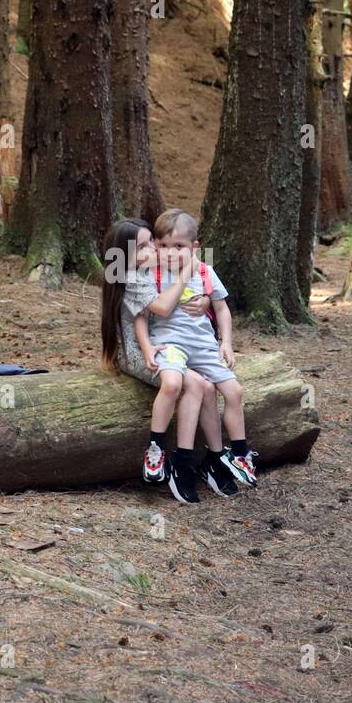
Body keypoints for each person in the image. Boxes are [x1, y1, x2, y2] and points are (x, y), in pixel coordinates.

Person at [100, 218, 229, 499]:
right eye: (143, 247)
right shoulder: (131, 276)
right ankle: (173, 458)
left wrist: (205, 299)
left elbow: (183, 295)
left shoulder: (156, 269)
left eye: (152, 243)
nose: (153, 250)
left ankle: (207, 458)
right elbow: (162, 305)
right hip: (139, 353)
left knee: (207, 386)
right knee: (194, 385)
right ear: (124, 254)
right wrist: (188, 270)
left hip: (168, 345)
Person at [136, 209, 257, 504]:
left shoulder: (204, 271)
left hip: (203, 345)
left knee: (233, 390)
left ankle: (239, 454)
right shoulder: (152, 272)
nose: (169, 253)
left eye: (178, 247)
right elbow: (142, 312)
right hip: (170, 345)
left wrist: (226, 343)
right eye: (163, 246)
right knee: (178, 383)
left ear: (194, 247)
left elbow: (222, 308)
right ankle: (170, 454)